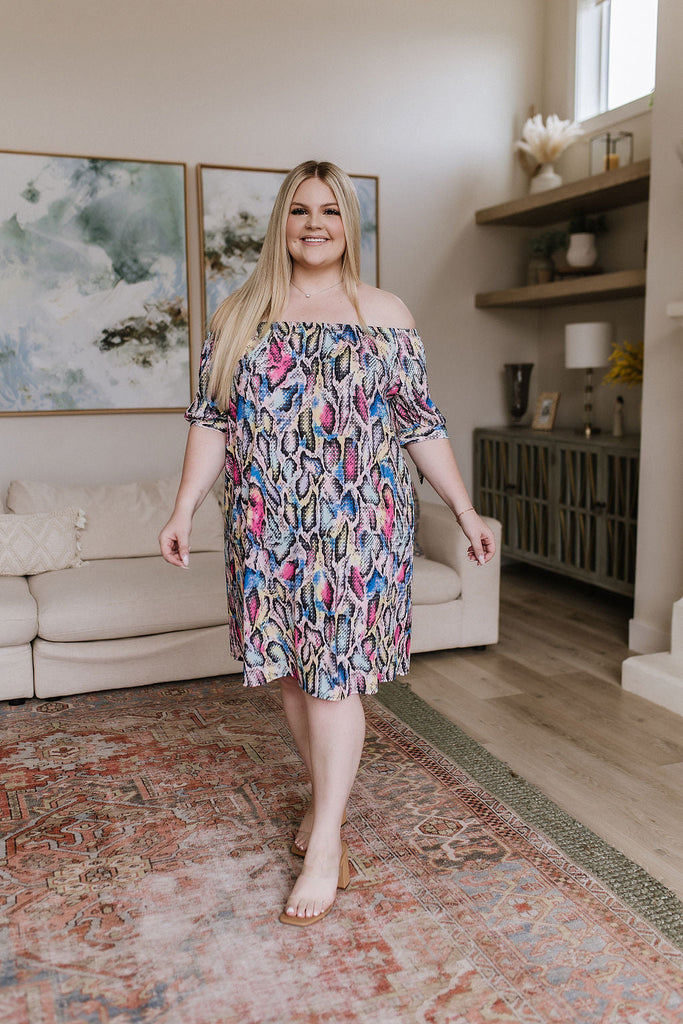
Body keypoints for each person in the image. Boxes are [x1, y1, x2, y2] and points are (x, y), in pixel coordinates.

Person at [159, 160, 496, 928]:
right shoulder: (240, 313)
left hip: (359, 530)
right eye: (301, 210)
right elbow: (212, 421)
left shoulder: (384, 313)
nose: (315, 224)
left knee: (333, 682)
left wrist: (465, 509)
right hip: (264, 527)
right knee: (291, 674)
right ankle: (324, 806)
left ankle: (326, 843)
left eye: (330, 211)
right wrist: (182, 508)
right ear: (282, 222)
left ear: (349, 224)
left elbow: (419, 424)